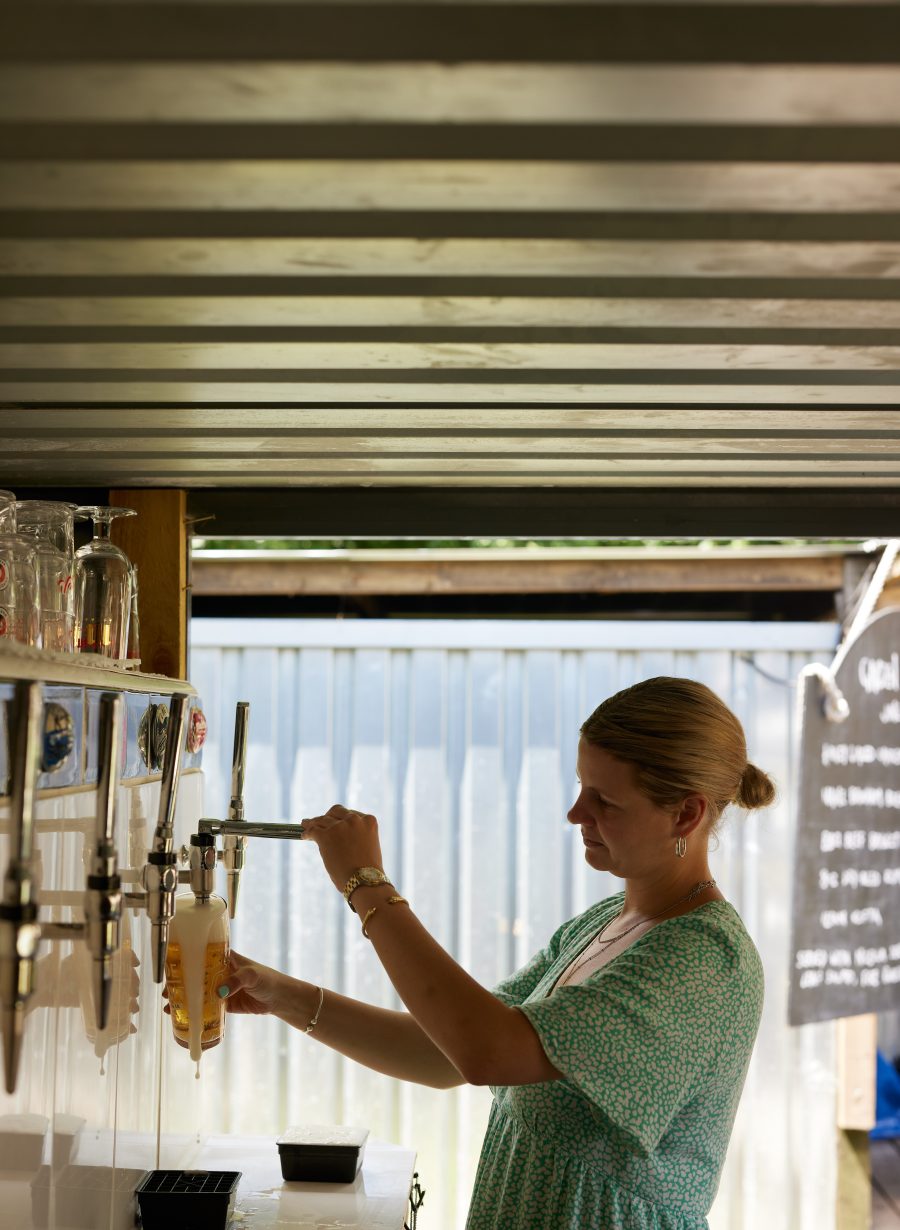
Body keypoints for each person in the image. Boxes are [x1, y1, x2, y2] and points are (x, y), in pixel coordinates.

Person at [211, 676, 774, 1230]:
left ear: (686, 815)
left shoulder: (704, 960)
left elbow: (486, 1051)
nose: (575, 813)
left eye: (604, 801)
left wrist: (366, 884)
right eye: (582, 787)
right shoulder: (605, 924)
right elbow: (444, 1052)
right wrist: (280, 994)